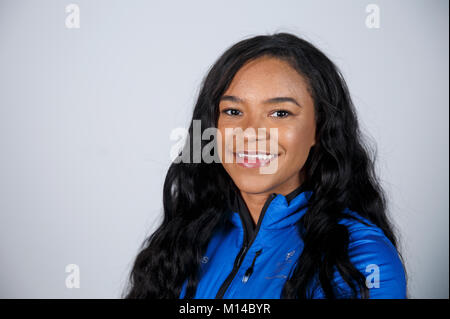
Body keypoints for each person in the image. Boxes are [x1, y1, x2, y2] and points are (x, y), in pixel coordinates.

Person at [124, 32, 407, 299]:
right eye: (233, 112)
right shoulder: (185, 238)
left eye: (280, 113)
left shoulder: (359, 256)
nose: (250, 133)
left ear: (319, 130)